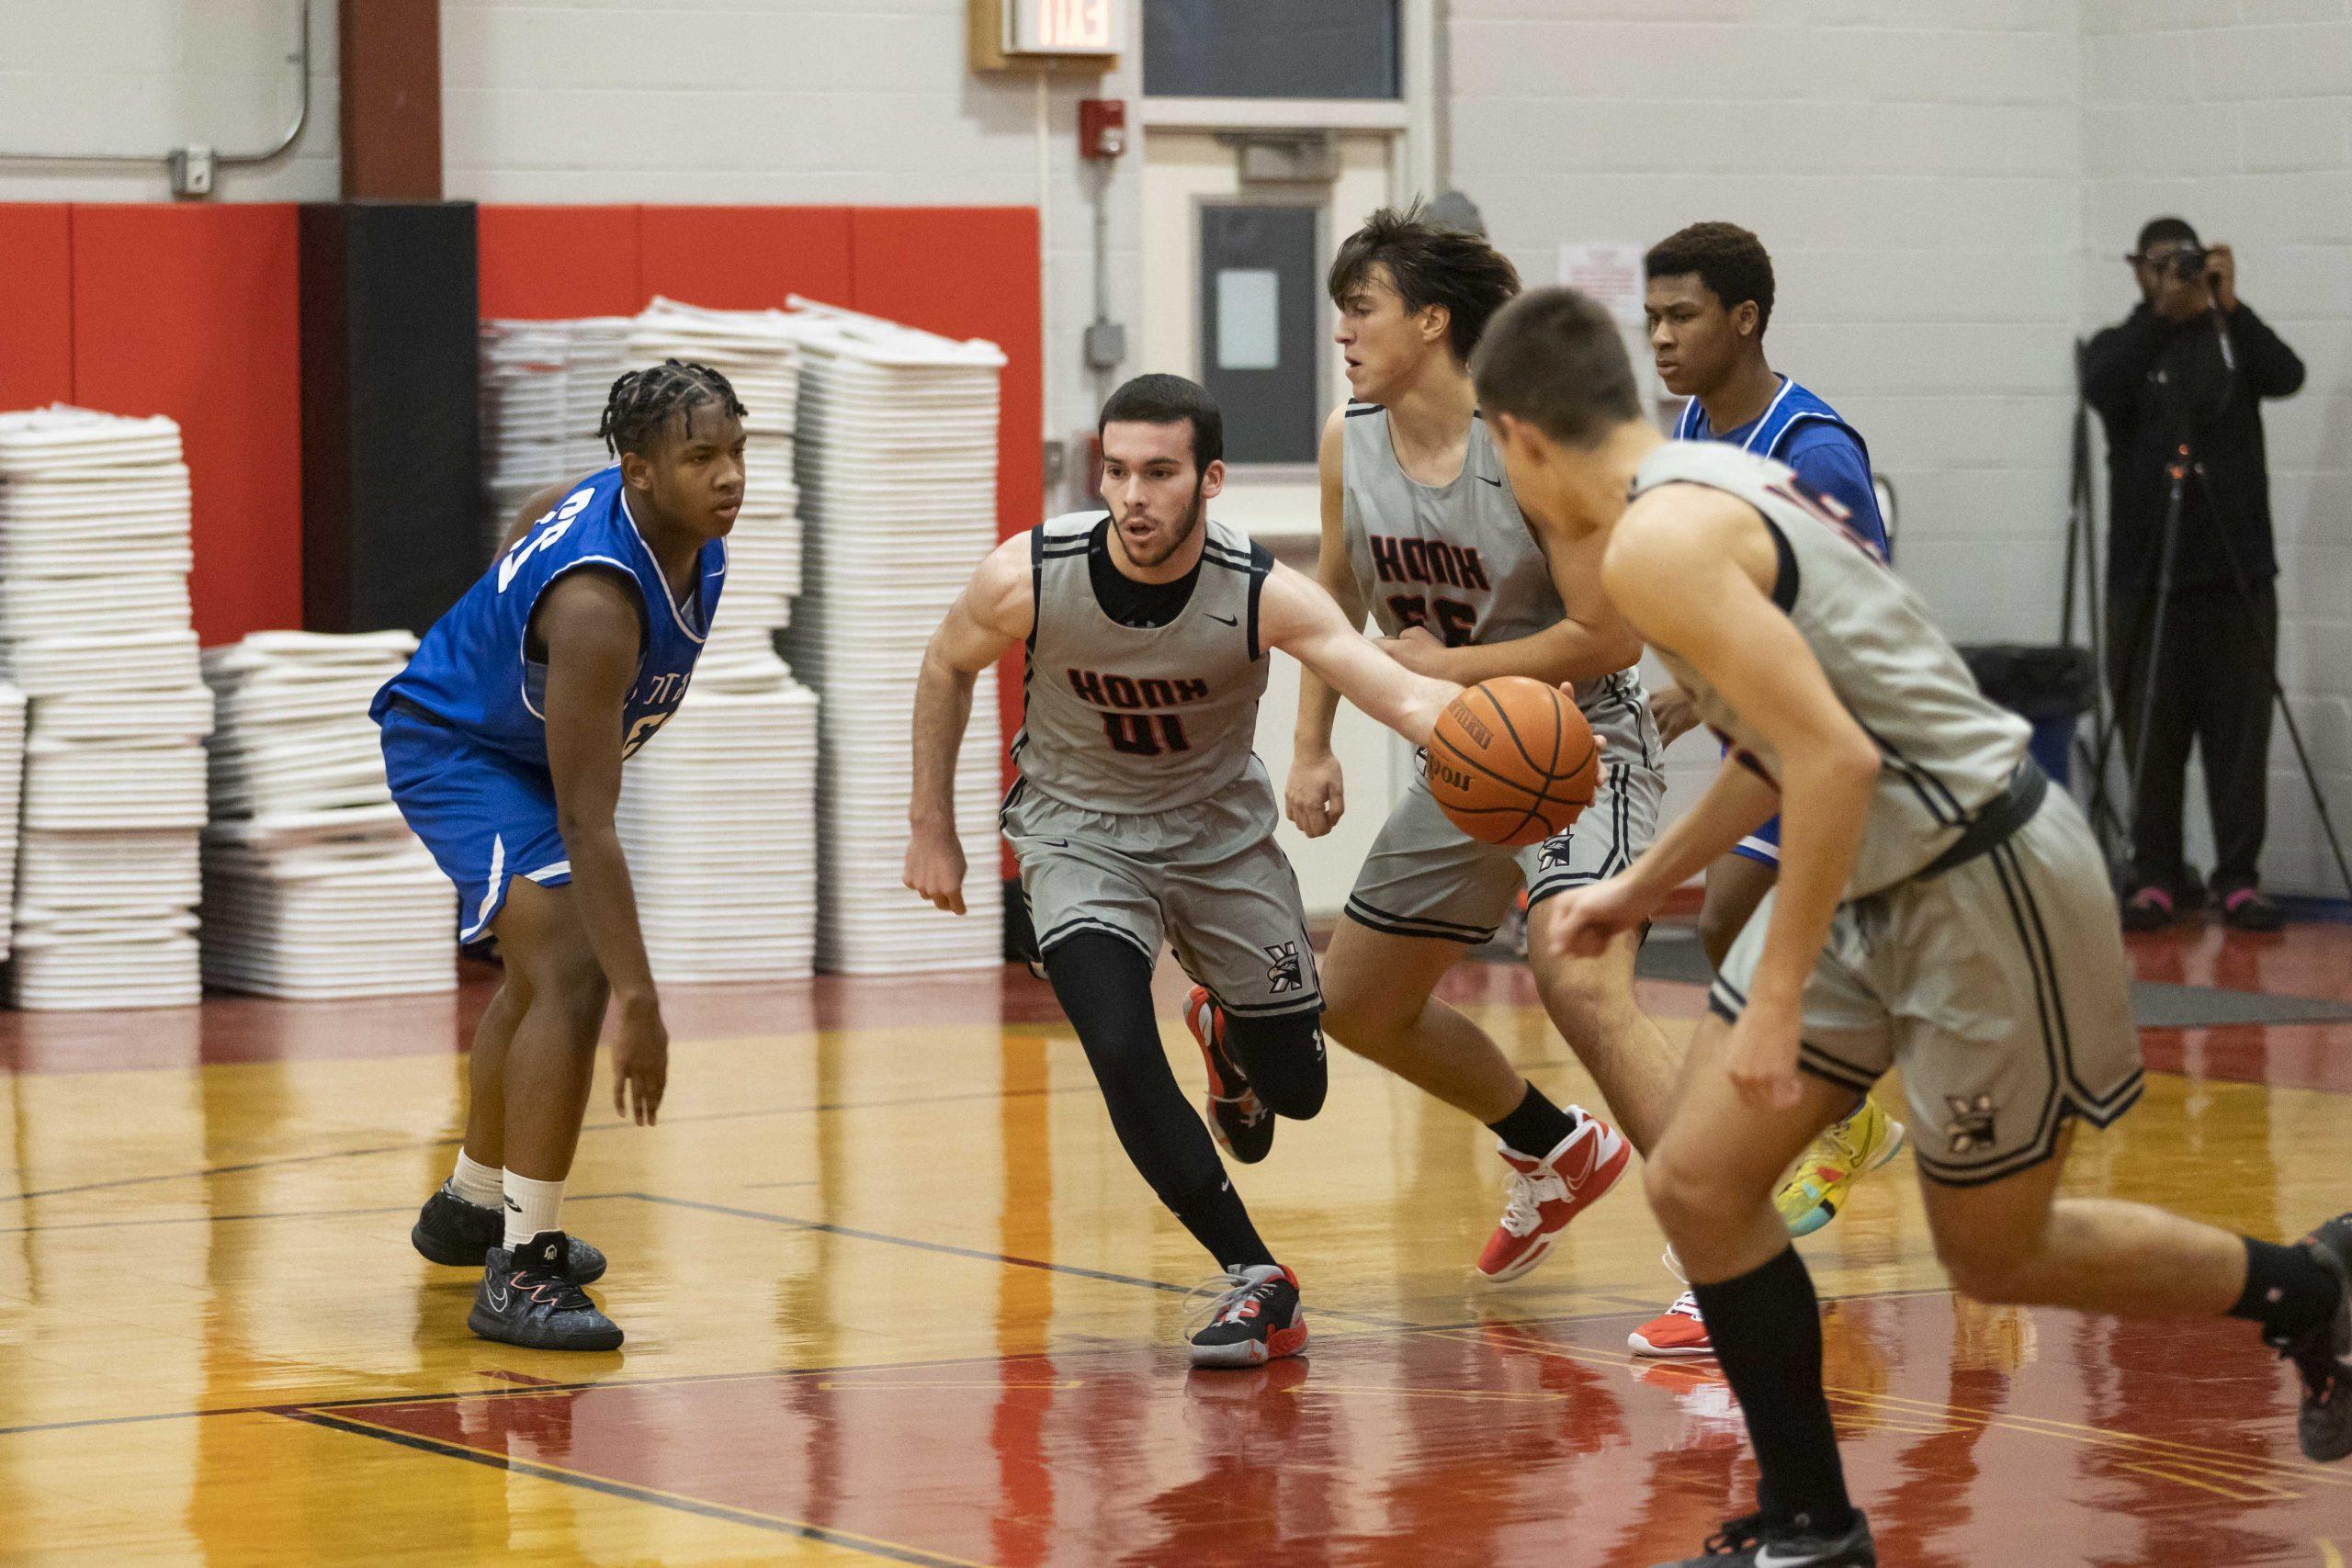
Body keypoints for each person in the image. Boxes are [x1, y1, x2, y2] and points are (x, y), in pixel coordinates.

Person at [1472, 285, 2348, 1568]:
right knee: (1705, 1184)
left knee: (1996, 1250)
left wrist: (1772, 996)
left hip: (1979, 870)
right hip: (1884, 868)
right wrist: (1638, 882)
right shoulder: (1709, 479)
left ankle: (2313, 1288)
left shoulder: (1659, 544)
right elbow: (1786, 746)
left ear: (1520, 438)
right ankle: (1814, 1521)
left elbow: (1832, 759)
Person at [904, 373, 1464, 1369]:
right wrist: (932, 827)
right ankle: (1256, 1278)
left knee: (1298, 1091)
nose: (1132, 496)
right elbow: (945, 662)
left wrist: (1489, 741)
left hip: (1219, 841)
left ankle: (1232, 1038)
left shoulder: (1260, 591)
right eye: (1115, 471)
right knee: (1118, 1047)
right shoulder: (1029, 574)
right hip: (1078, 837)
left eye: (1159, 473)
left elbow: (1395, 693)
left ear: (1208, 480)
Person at [1252, 205, 1676, 1290]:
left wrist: (1440, 672)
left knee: (1576, 976)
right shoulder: (1352, 437)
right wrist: (1312, 742)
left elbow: (1607, 632)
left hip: (1580, 743)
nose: (1342, 331)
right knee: (1354, 1004)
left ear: (1433, 320)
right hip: (1471, 754)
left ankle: (1725, 1264)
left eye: (1362, 308)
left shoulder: (1524, 441)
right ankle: (1553, 1143)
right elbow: (1331, 595)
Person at [376, 359, 743, 1351]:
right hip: (456, 748)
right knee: (575, 975)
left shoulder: (663, 525)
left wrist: (508, 611)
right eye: (700, 457)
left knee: (538, 975)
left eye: (737, 451)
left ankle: (473, 1205)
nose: (729, 477)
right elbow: (590, 825)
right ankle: (523, 1272)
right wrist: (646, 1004)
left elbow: (541, 508)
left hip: (518, 743)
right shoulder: (595, 608)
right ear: (639, 472)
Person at [1631, 221, 1908, 1358]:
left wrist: (1709, 698)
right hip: (1783, 743)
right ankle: (1845, 1114)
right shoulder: (1698, 423)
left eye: (1680, 317)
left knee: (1800, 970)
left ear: (1744, 319)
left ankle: (1788, 1168)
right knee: (1733, 928)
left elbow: (1858, 621)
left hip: (1854, 740)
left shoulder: (1816, 451)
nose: (1659, 338)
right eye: (1650, 317)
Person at [2084, 216, 2305, 933]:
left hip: (2235, 578)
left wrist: (2230, 306)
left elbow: (2287, 375)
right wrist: (2160, 315)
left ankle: (2238, 877)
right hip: (2146, 583)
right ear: (2139, 270)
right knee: (2151, 735)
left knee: (2239, 739)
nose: (2176, 275)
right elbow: (2099, 385)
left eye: (2186, 263)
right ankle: (2155, 874)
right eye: (2162, 265)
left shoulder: (2230, 339)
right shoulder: (2123, 346)